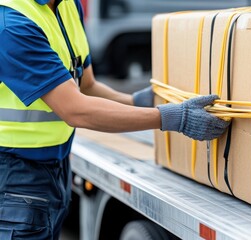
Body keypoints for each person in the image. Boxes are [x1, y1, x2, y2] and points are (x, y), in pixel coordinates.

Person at [0, 0, 230, 239]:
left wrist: (135, 101)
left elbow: (86, 86)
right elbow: (76, 110)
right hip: (15, 172)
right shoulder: (12, 24)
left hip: (55, 165)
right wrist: (173, 118)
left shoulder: (67, 6)